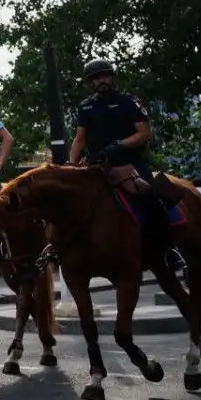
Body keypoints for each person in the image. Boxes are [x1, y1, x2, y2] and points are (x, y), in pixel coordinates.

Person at [69, 58, 184, 273]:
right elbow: (80, 139)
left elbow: (144, 133)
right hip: (98, 164)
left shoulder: (129, 102)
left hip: (130, 163)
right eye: (95, 78)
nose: (100, 81)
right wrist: (71, 164)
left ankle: (169, 249)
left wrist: (119, 145)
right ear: (90, 83)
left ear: (112, 77)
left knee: (150, 196)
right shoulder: (85, 106)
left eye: (104, 76)